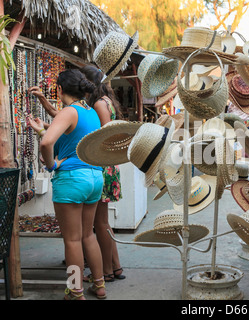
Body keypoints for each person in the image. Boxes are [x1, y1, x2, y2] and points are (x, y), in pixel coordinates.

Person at [28, 69, 106, 300]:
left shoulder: (68, 111)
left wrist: (52, 166)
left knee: (72, 239)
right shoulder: (90, 111)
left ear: (60, 90)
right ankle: (99, 285)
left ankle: (75, 290)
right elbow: (70, 140)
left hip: (72, 179)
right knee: (87, 235)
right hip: (94, 178)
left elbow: (46, 143)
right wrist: (44, 128)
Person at [80, 65, 126, 282]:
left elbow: (105, 136)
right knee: (104, 223)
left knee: (100, 224)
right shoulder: (107, 101)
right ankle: (115, 267)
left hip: (102, 164)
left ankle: (106, 271)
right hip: (108, 165)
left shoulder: (98, 104)